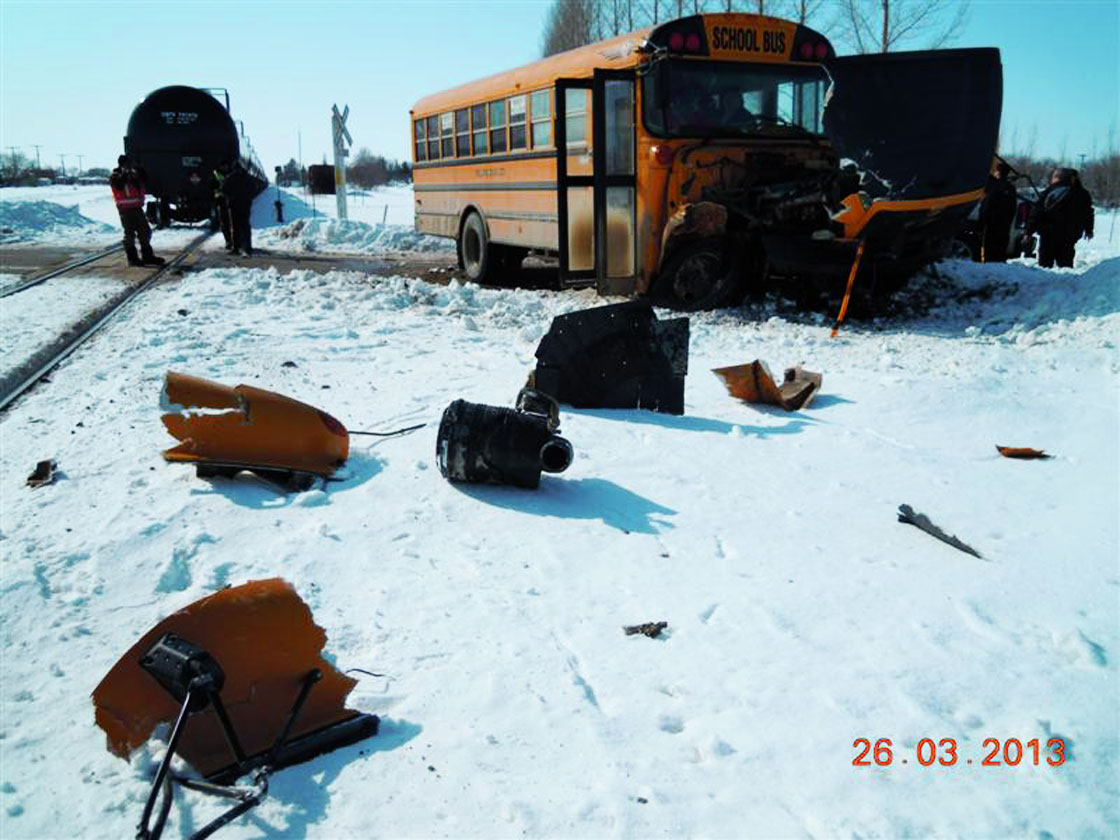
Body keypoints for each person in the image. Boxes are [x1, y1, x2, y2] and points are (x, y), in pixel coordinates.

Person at [1029, 167, 1094, 268]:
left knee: (1045, 264)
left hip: (1049, 233)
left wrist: (1029, 231)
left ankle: (1043, 279)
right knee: (1066, 262)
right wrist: (1088, 229)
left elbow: (1037, 212)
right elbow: (1088, 213)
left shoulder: (1050, 191)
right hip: (1070, 234)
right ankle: (1066, 279)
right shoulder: (1082, 194)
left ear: (1057, 178)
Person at [109, 155, 164, 267]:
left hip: (137, 208)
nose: (129, 166)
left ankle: (147, 256)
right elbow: (119, 185)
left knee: (145, 231)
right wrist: (125, 173)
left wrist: (137, 169)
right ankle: (132, 258)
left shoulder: (134, 175)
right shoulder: (115, 176)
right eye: (127, 164)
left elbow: (144, 179)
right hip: (125, 210)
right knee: (129, 234)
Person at [977, 161, 1018, 262]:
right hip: (1005, 226)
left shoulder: (993, 187)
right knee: (1000, 253)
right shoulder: (1011, 188)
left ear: (997, 172)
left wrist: (980, 224)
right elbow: (1013, 208)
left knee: (989, 253)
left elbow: (986, 207)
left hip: (992, 225)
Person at [221, 160, 255, 257]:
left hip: (234, 205)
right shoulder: (248, 177)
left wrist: (231, 197)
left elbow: (223, 189)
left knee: (235, 227)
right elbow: (254, 188)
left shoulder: (231, 177)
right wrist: (248, 197)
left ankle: (236, 248)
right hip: (245, 204)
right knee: (245, 226)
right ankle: (247, 247)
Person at [211, 161, 234, 252]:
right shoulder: (215, 175)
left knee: (232, 222)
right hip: (221, 201)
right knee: (224, 222)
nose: (225, 167)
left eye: (226, 165)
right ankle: (228, 241)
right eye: (223, 165)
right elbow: (212, 187)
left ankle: (232, 241)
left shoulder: (232, 174)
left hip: (230, 201)